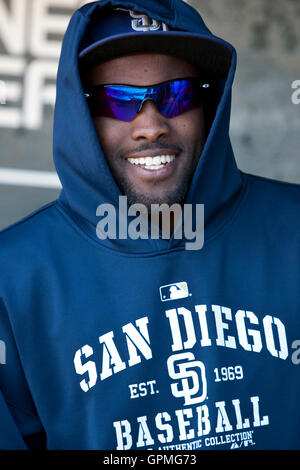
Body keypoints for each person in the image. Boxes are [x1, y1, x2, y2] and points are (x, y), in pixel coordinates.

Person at [0, 0, 299, 451]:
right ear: (82, 117)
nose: (151, 126)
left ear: (208, 104)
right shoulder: (14, 278)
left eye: (177, 94)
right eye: (117, 101)